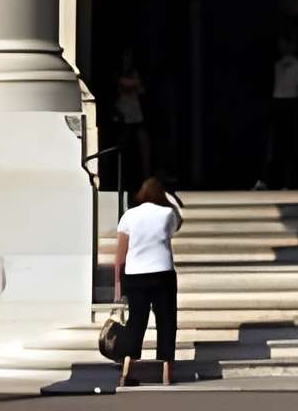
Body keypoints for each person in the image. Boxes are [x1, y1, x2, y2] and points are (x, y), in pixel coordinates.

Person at [110, 175, 182, 389]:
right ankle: (167, 374)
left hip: (135, 275)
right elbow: (177, 226)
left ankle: (127, 371)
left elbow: (120, 256)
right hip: (162, 273)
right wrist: (170, 200)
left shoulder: (129, 216)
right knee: (167, 322)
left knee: (136, 323)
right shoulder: (168, 213)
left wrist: (118, 285)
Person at [263, 37, 298, 189]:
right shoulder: (284, 64)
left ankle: (282, 181)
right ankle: (284, 181)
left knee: (282, 144)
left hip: (284, 102)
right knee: (287, 144)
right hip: (285, 103)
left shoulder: (287, 64)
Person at [113, 52, 150, 192]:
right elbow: (123, 85)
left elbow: (140, 89)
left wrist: (133, 84)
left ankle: (146, 181)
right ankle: (122, 180)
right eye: (125, 57)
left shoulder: (135, 72)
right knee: (123, 148)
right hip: (123, 115)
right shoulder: (118, 74)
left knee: (143, 146)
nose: (127, 60)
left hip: (136, 115)